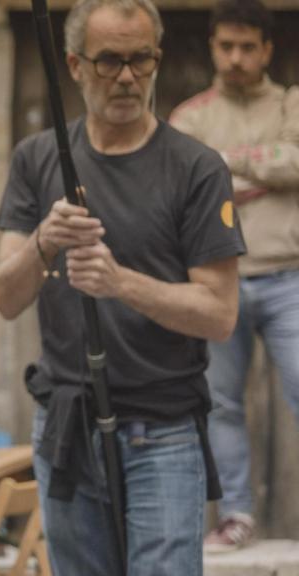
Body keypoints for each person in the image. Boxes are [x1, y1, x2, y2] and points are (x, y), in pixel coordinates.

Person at [0, 0, 247, 573]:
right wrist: (44, 241)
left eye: (141, 59)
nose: (128, 77)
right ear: (75, 65)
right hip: (66, 424)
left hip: (164, 430)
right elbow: (5, 299)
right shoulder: (37, 158)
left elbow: (220, 313)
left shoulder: (197, 167)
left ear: (158, 58)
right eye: (109, 60)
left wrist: (120, 282)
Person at [169, 0, 299, 552]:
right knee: (220, 404)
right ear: (213, 48)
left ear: (267, 50)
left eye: (248, 47)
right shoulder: (190, 116)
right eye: (227, 46)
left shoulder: (292, 103)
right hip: (216, 281)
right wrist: (270, 168)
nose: (237, 57)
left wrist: (225, 163)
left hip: (290, 276)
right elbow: (181, 181)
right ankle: (236, 516)